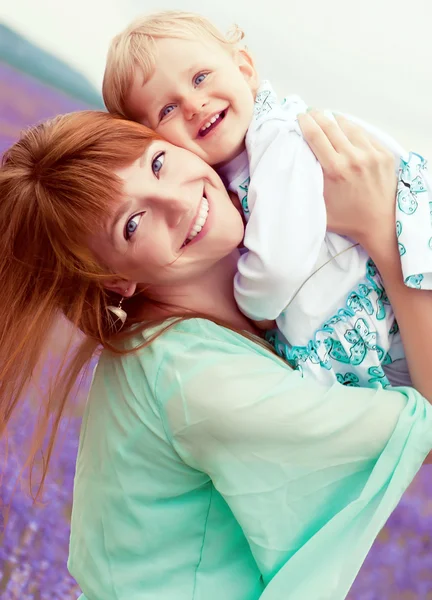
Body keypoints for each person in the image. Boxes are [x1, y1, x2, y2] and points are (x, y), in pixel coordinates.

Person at [1, 109, 432, 600]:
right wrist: (383, 233)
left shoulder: (195, 335)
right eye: (133, 224)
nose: (178, 200)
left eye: (157, 163)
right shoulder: (194, 377)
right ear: (117, 280)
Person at [103, 11, 432, 389]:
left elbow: (280, 265)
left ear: (244, 68)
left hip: (391, 298)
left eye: (199, 78)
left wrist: (252, 307)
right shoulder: (240, 167)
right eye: (167, 110)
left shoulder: (278, 143)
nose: (193, 105)